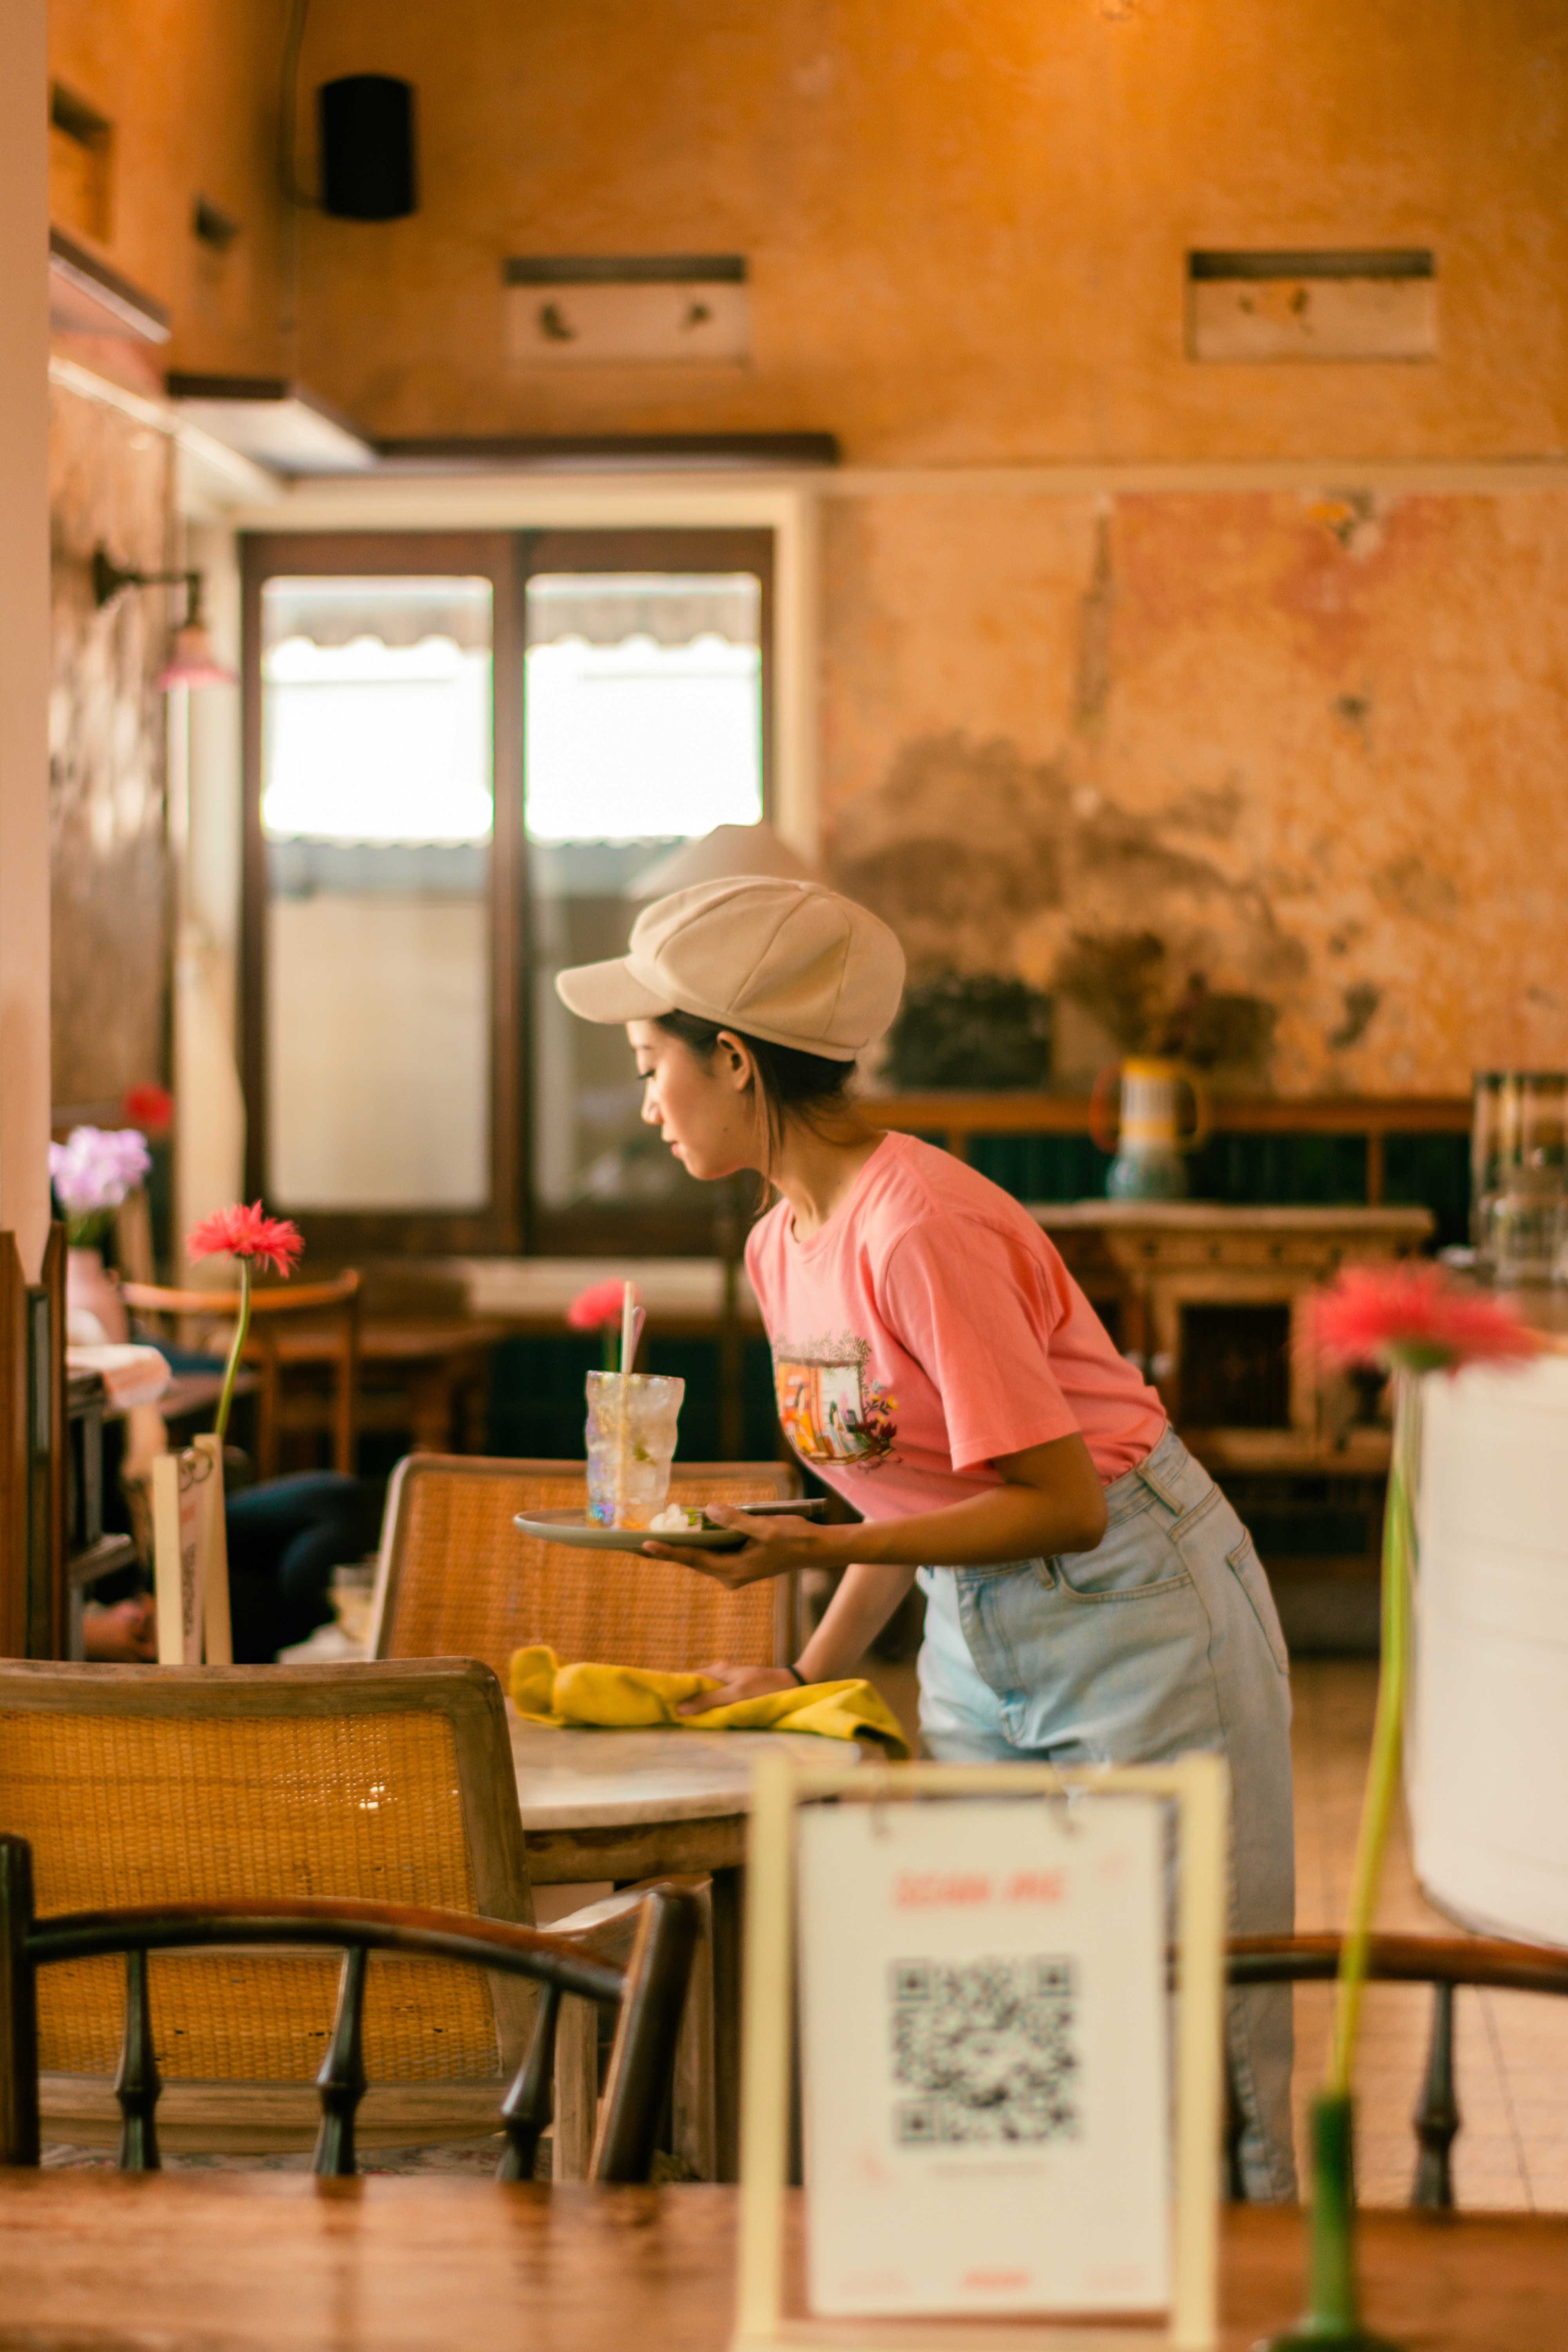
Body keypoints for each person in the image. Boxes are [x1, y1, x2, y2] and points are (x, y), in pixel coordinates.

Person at [555, 874, 1296, 2201]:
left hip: (1136, 1611)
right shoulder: (782, 1246)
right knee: (1005, 2023)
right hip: (974, 1625)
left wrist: (802, 1558)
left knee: (1192, 2036)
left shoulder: (921, 1226)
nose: (647, 1102)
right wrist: (801, 1671)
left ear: (734, 1059)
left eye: (651, 1064)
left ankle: (1234, 2299)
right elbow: (901, 1500)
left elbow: (1060, 1502)